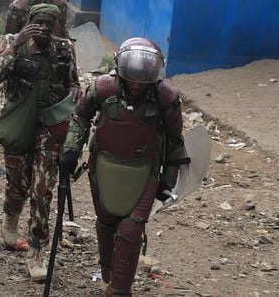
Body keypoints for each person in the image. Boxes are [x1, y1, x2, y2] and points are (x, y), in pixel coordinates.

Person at [60, 38, 186, 296]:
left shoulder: (166, 99)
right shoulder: (102, 90)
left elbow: (175, 141)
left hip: (145, 171)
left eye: (144, 79)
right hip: (104, 168)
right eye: (132, 78)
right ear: (120, 71)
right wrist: (71, 150)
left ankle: (119, 291)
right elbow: (80, 117)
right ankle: (107, 277)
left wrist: (168, 182)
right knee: (106, 224)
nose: (138, 84)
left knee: (131, 229)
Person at [0, 4, 78, 282]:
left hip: (48, 130)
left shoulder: (64, 49)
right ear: (29, 22)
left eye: (51, 23)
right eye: (39, 22)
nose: (45, 28)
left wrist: (75, 91)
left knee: (42, 190)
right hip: (18, 124)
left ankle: (36, 250)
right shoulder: (15, 43)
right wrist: (16, 46)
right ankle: (12, 214)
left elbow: (73, 81)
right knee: (18, 185)